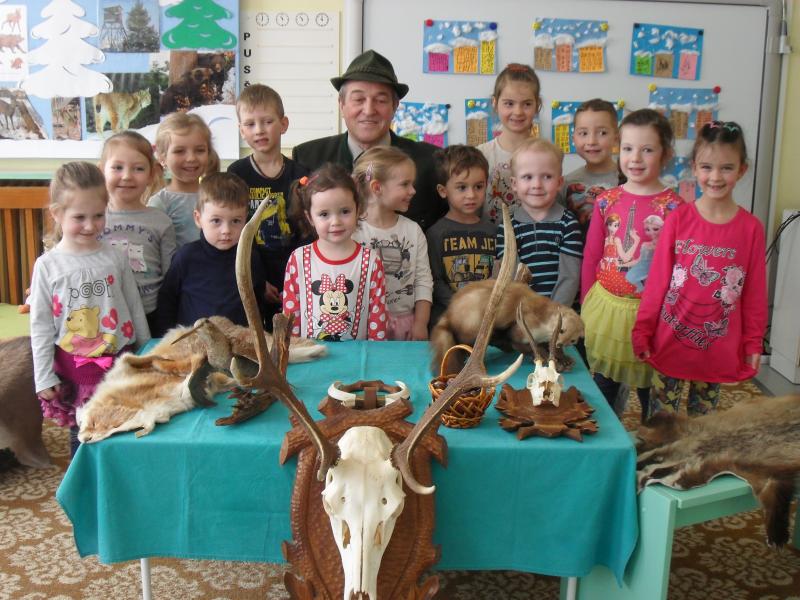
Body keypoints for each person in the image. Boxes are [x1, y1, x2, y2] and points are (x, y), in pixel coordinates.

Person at [632, 121, 767, 416]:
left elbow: (755, 294)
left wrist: (753, 343)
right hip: (670, 341)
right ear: (694, 168)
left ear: (741, 170)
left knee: (703, 428)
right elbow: (657, 283)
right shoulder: (678, 220)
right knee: (659, 423)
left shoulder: (751, 229)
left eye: (726, 168)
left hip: (716, 347)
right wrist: (643, 329)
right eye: (707, 167)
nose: (715, 177)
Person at [29, 162, 150, 455]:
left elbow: (133, 306)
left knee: (125, 427)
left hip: (120, 361)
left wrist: (147, 352)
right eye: (79, 217)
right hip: (76, 368)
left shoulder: (115, 257)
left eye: (98, 215)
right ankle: (84, 480)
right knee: (84, 433)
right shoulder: (47, 266)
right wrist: (43, 375)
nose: (90, 225)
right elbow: (41, 326)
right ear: (56, 213)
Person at [580, 109, 683, 421]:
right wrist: (586, 302)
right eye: (628, 148)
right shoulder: (606, 200)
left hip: (654, 314)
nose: (635, 158)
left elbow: (680, 266)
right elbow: (592, 254)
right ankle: (605, 440)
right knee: (604, 385)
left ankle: (655, 440)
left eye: (647, 149)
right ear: (619, 149)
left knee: (652, 390)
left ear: (665, 154)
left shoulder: (675, 207)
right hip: (608, 310)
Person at [291, 50, 444, 230]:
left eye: (381, 100)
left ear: (395, 106)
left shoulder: (430, 161)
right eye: (359, 99)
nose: (369, 110)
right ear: (341, 104)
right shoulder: (308, 158)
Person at [228, 84, 309, 325]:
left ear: (283, 124)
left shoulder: (302, 174)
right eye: (250, 124)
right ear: (241, 130)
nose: (259, 130)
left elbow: (307, 230)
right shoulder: (236, 173)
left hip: (296, 272)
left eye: (267, 121)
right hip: (253, 271)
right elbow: (237, 232)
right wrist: (257, 279)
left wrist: (295, 277)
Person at [153, 172, 269, 335]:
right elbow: (167, 302)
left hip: (239, 343)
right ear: (198, 218)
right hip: (193, 343)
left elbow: (258, 304)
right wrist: (165, 340)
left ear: (246, 220)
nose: (226, 230)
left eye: (236, 221)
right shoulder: (186, 257)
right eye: (216, 221)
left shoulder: (250, 258)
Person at [282, 163, 387, 341]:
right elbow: (291, 317)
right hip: (310, 355)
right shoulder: (298, 259)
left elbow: (378, 319)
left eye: (345, 211)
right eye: (324, 214)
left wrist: (376, 354)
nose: (336, 221)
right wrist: (292, 351)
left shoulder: (371, 261)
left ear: (358, 210)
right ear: (310, 217)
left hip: (358, 356)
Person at [352, 147, 433, 340]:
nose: (413, 191)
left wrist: (421, 323)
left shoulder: (413, 231)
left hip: (406, 328)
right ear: (377, 187)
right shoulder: (352, 232)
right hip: (363, 327)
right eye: (405, 184)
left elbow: (423, 280)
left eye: (412, 184)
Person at [99, 131, 175, 333]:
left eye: (138, 168)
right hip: (104, 315)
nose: (127, 176)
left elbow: (170, 278)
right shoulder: (93, 219)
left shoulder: (161, 222)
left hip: (151, 315)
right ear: (101, 171)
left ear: (151, 175)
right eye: (117, 167)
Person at [495, 139, 582, 307]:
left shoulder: (568, 224)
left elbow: (570, 278)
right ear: (514, 184)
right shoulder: (507, 227)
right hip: (522, 312)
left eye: (547, 177)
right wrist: (526, 312)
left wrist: (552, 313)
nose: (537, 185)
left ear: (559, 183)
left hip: (560, 313)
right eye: (528, 177)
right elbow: (510, 275)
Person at [426, 145, 496, 327]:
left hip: (487, 320)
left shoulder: (495, 232)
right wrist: (462, 306)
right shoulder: (435, 233)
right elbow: (434, 280)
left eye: (478, 186)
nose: (471, 195)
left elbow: (498, 277)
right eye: (462, 188)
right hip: (449, 321)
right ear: (443, 191)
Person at [477, 63, 542, 225]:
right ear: (495, 103)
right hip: (490, 239)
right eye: (509, 103)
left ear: (537, 105)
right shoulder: (481, 155)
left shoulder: (546, 155)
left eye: (527, 104)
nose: (518, 112)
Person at [148, 113, 219, 248]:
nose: (191, 158)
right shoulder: (160, 203)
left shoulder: (218, 196)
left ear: (208, 153)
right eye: (180, 151)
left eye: (199, 150)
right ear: (162, 157)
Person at [561, 98, 622, 235]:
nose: (592, 141)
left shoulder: (630, 181)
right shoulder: (565, 183)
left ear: (616, 138)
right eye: (583, 133)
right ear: (573, 139)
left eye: (602, 133)